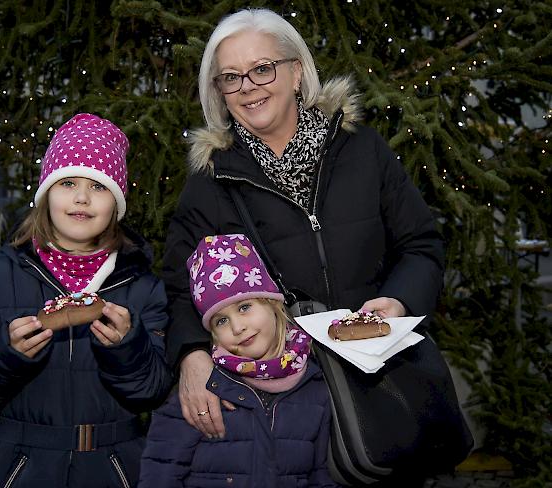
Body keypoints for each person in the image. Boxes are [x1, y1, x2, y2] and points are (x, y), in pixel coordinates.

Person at [162, 6, 444, 451]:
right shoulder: (210, 183)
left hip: (380, 381)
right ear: (219, 91)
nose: (248, 87)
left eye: (262, 69)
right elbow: (180, 286)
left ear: (296, 73)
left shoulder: (363, 151)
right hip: (277, 403)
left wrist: (400, 300)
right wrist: (192, 353)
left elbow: (421, 245)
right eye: (231, 77)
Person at [0, 113, 172, 488]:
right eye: (67, 182)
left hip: (116, 468)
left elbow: (153, 390)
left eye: (98, 186)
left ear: (116, 202)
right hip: (22, 468)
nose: (81, 197)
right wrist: (6, 352)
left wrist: (128, 347)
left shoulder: (142, 285)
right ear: (46, 194)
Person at [140, 234, 338, 487]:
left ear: (272, 304)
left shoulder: (314, 386)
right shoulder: (203, 390)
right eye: (221, 321)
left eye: (244, 307)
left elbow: (320, 475)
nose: (237, 327)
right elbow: (160, 473)